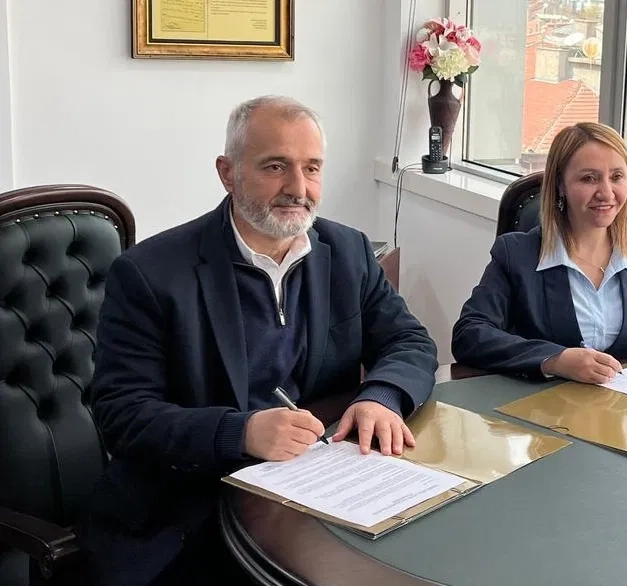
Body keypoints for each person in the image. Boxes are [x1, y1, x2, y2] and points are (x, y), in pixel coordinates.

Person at [79, 95, 438, 586]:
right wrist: (240, 432)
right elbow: (121, 413)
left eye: (312, 168)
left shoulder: (347, 251)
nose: (298, 188)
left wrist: (383, 395)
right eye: (275, 166)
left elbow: (409, 340)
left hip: (319, 495)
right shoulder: (151, 273)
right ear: (228, 173)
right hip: (189, 511)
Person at [451, 122, 627, 383]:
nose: (606, 193)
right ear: (560, 185)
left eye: (617, 177)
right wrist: (554, 360)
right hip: (542, 404)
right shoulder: (516, 254)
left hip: (625, 407)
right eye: (589, 178)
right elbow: (469, 335)